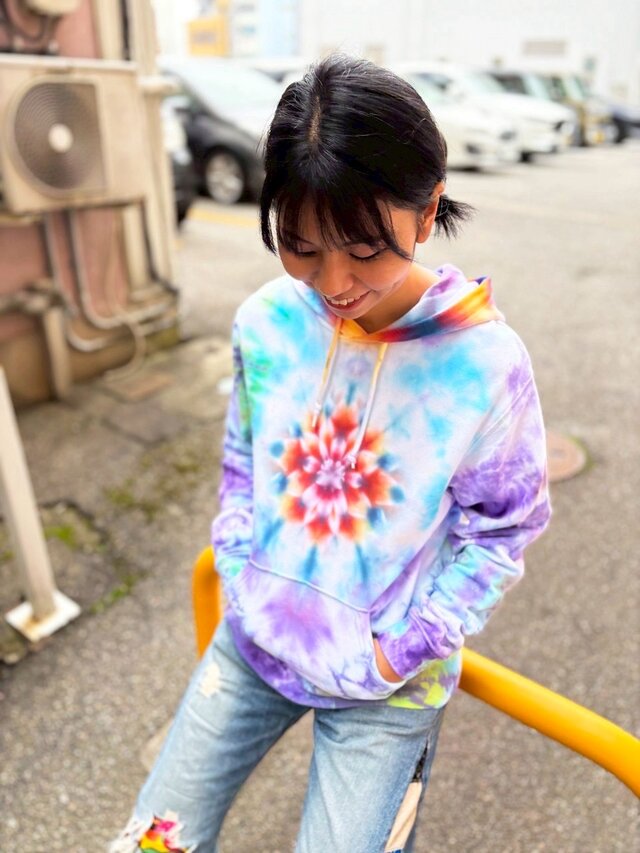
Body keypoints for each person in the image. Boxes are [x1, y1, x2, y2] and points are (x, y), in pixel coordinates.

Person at [110, 54, 551, 853]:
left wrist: (400, 649)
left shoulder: (486, 363)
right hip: (254, 637)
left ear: (427, 210)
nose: (335, 281)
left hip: (387, 687)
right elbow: (242, 461)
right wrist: (240, 570)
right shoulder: (265, 321)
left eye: (364, 249)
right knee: (151, 843)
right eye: (302, 246)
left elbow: (504, 531)